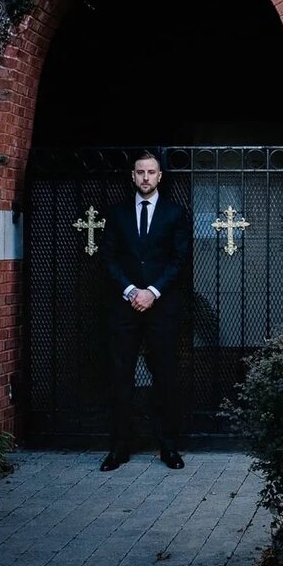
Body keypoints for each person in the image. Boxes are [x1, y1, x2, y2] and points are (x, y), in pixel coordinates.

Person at [99, 151, 191, 471]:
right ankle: (119, 448)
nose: (146, 178)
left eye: (151, 172)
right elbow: (108, 258)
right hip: (124, 310)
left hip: (161, 309)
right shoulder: (118, 214)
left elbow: (179, 260)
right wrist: (129, 291)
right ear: (133, 176)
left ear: (160, 176)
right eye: (140, 172)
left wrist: (152, 292)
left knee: (165, 377)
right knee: (119, 378)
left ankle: (168, 447)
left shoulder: (175, 214)